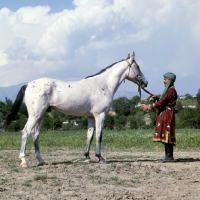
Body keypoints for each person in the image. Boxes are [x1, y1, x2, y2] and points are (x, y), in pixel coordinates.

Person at [141, 72, 177, 162]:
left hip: (167, 114)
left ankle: (169, 157)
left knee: (167, 134)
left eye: (165, 79)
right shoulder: (168, 90)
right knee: (165, 134)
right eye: (164, 79)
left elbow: (162, 102)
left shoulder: (171, 91)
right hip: (165, 113)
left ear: (170, 80)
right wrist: (157, 97)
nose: (163, 81)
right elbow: (163, 101)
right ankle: (168, 156)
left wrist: (149, 107)